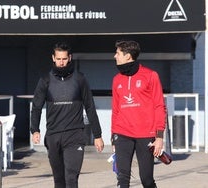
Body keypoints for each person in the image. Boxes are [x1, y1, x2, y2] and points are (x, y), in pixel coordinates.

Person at [31, 42, 104, 188]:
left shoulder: (80, 79)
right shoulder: (45, 80)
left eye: (64, 59)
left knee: (71, 178)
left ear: (69, 58)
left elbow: (89, 106)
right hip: (53, 135)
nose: (61, 62)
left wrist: (97, 135)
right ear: (53, 58)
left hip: (75, 135)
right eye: (58, 59)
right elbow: (36, 107)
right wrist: (35, 129)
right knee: (59, 181)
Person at [111, 40, 166, 188]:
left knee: (146, 179)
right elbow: (115, 109)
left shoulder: (150, 75)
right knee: (122, 179)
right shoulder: (116, 80)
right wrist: (113, 136)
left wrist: (159, 137)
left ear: (128, 56)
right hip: (122, 134)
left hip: (145, 135)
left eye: (118, 53)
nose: (114, 56)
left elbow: (159, 106)